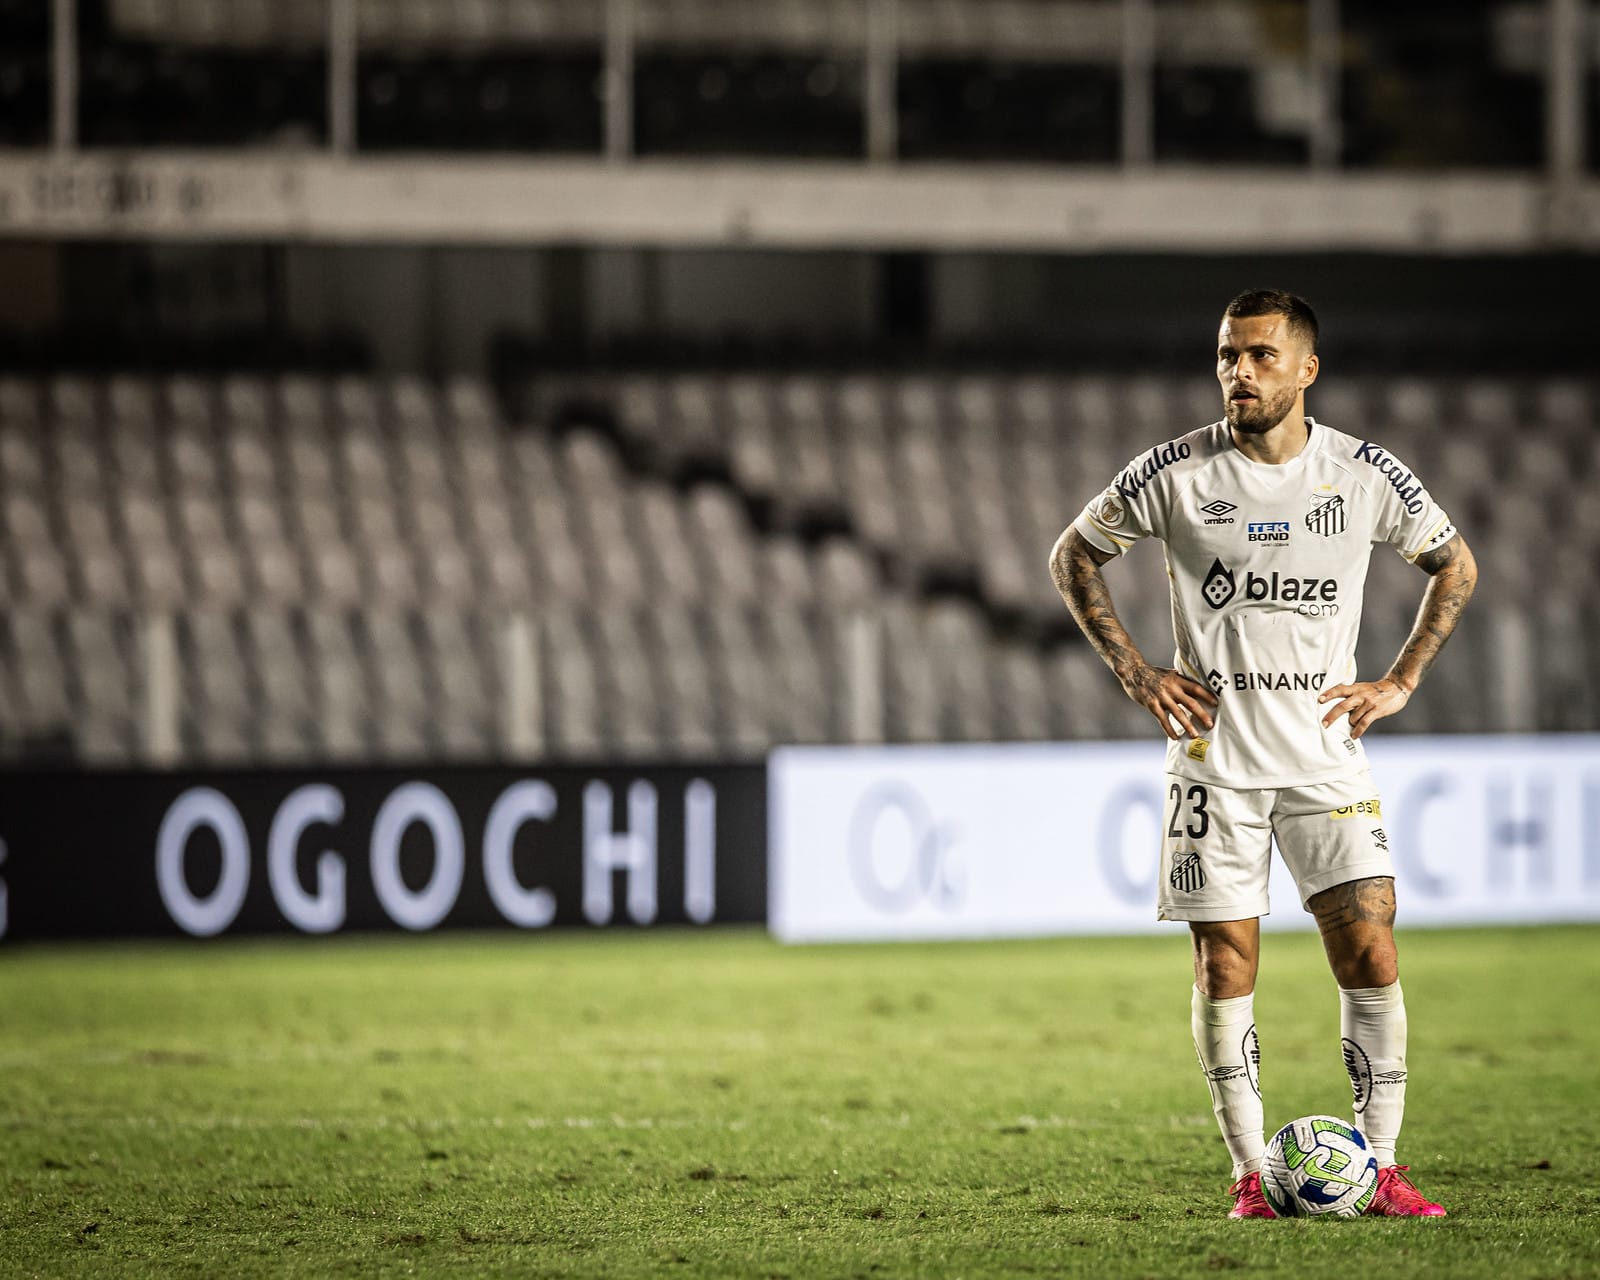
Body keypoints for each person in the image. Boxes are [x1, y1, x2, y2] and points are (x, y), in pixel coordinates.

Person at [1049, 289, 1476, 1219]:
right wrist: (1133, 669)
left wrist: (1399, 681)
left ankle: (1384, 1166)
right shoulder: (1174, 471)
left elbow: (1456, 564)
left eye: (1259, 357)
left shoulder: (1364, 475)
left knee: (1370, 948)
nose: (1238, 373)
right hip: (1215, 762)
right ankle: (1250, 1175)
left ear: (1306, 369)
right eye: (1226, 356)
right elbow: (1072, 556)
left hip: (1326, 760)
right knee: (1225, 967)